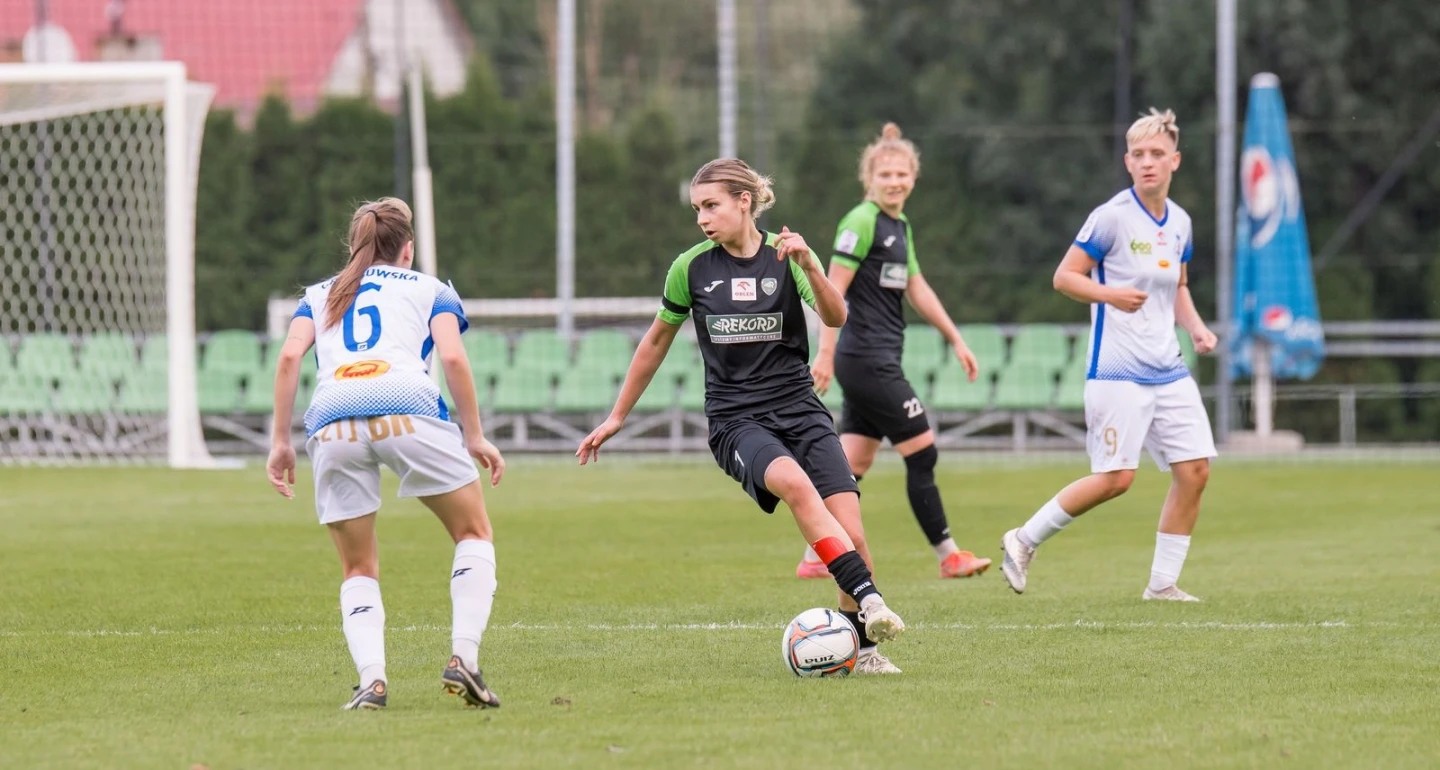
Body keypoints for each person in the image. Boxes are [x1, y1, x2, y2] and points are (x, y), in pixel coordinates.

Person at [576, 158, 908, 674]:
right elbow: (655, 341)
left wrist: (812, 267)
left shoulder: (787, 255)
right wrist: (617, 416)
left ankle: (865, 654)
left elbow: (837, 316)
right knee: (795, 485)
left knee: (853, 534)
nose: (702, 218)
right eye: (697, 209)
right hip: (737, 421)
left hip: (801, 409)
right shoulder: (690, 268)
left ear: (744, 201)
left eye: (711, 206)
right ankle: (870, 599)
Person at [266, 197, 507, 710]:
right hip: (407, 407)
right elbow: (452, 358)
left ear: (355, 245)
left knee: (358, 567)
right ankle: (463, 658)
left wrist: (281, 442)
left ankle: (372, 682)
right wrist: (474, 435)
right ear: (407, 250)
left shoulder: (320, 295)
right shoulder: (431, 289)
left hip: (333, 419)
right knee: (473, 533)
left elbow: (288, 356)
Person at [998, 109, 1219, 601]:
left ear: (1175, 161)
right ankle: (1024, 539)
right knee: (1117, 479)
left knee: (1195, 471)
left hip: (1169, 368)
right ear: (1127, 161)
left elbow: (1178, 287)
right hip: (1117, 371)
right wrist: (1111, 295)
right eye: (1138, 154)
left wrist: (1197, 329)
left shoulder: (1180, 222)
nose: (1148, 162)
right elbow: (1064, 277)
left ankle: (1162, 585)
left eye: (1157, 154)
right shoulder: (1111, 217)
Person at [802, 122, 991, 581]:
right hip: (865, 359)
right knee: (922, 452)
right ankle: (949, 555)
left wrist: (956, 339)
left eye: (901, 174)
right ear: (869, 178)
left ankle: (814, 557)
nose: (894, 182)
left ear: (913, 178)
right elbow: (831, 290)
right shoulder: (861, 221)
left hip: (876, 358)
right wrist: (824, 353)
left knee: (853, 464)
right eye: (884, 174)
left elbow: (917, 288)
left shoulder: (900, 226)